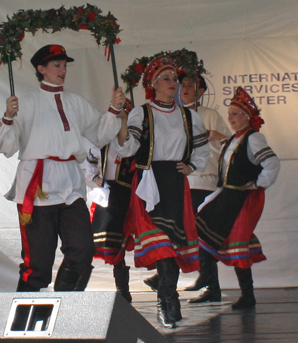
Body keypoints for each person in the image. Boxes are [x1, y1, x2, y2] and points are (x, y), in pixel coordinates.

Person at [0, 44, 125, 293]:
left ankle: (64, 305)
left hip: (70, 184)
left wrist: (114, 109)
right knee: (38, 261)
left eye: (64, 65)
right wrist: (8, 116)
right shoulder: (26, 102)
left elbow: (99, 134)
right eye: (57, 65)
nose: (63, 70)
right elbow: (5, 145)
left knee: (83, 248)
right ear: (41, 69)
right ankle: (23, 319)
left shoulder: (75, 101)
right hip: (37, 184)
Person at [113, 55, 210, 328]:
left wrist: (191, 166)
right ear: (153, 85)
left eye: (174, 79)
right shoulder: (141, 113)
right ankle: (168, 300)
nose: (173, 83)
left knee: (174, 243)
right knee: (162, 244)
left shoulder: (188, 116)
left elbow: (202, 148)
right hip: (149, 183)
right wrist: (121, 121)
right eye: (166, 79)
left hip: (175, 183)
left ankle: (166, 299)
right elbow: (127, 149)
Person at [189, 86, 280, 309]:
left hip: (241, 200)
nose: (231, 118)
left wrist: (257, 184)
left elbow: (272, 163)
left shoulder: (254, 137)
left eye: (235, 114)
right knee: (200, 230)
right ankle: (210, 284)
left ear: (247, 117)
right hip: (226, 196)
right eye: (229, 114)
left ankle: (247, 295)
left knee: (238, 244)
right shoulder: (234, 140)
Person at [143, 73, 232, 296]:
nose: (185, 88)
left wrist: (208, 135)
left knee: (194, 229)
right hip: (180, 181)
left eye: (191, 85)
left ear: (201, 91)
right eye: (183, 85)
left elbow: (228, 142)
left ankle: (176, 275)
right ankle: (211, 284)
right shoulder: (174, 115)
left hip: (204, 180)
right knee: (186, 229)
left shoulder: (208, 114)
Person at [86, 134, 134, 302]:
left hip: (130, 195)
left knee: (125, 238)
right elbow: (90, 158)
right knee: (105, 243)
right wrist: (94, 177)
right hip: (110, 195)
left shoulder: (134, 144)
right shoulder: (103, 143)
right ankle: (122, 291)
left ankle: (125, 290)